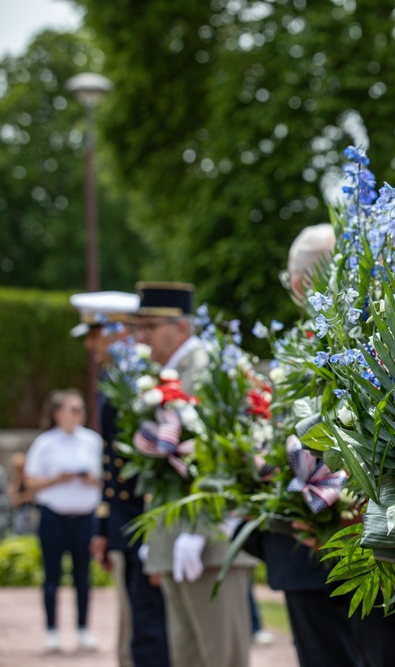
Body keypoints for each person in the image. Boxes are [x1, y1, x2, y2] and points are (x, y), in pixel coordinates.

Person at [135, 282, 254, 667]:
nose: (142, 336)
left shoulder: (205, 371)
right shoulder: (170, 374)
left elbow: (228, 455)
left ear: (181, 328)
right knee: (189, 658)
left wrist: (202, 530)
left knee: (222, 658)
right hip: (179, 540)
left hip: (208, 544)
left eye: (150, 326)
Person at [70, 290, 171, 667]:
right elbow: (111, 462)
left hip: (141, 520)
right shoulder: (118, 380)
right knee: (140, 628)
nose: (91, 345)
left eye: (96, 334)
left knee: (149, 630)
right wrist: (104, 524)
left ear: (119, 332)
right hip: (127, 522)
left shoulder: (136, 382)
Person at [24, 389, 103, 652]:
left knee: (83, 577)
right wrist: (57, 479)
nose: (78, 414)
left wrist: (92, 479)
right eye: (73, 409)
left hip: (85, 518)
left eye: (81, 409)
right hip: (54, 518)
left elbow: (108, 479)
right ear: (58, 413)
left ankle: (83, 630)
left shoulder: (92, 441)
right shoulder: (45, 443)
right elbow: (30, 481)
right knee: (52, 577)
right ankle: (52, 632)